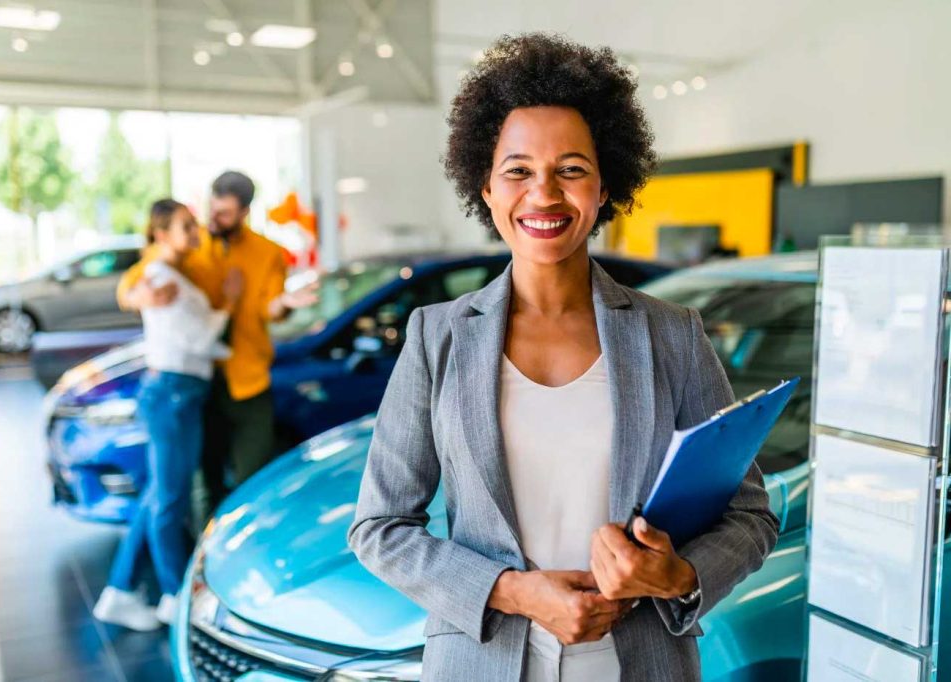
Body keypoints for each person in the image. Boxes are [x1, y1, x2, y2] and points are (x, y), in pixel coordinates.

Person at [348, 33, 779, 681]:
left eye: (571, 169)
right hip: (483, 663)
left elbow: (750, 516)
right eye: (517, 171)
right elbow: (380, 527)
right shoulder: (438, 336)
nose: (544, 194)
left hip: (642, 662)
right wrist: (517, 591)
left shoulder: (673, 335)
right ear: (486, 190)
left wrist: (679, 573)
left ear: (605, 186)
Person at [117, 171, 317, 516]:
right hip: (203, 383)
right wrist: (137, 296)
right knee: (206, 484)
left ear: (244, 212)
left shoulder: (267, 253)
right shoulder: (193, 244)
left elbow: (269, 307)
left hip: (249, 382)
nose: (214, 219)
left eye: (224, 213)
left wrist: (284, 302)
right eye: (213, 209)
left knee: (251, 480)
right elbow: (135, 280)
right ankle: (207, 562)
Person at [94, 199, 242, 630]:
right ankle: (174, 597)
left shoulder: (171, 274)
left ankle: (119, 591)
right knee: (169, 502)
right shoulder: (161, 277)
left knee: (158, 496)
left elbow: (195, 339)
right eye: (185, 227)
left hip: (180, 391)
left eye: (195, 226)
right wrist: (229, 306)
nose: (194, 233)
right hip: (175, 393)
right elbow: (197, 338)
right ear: (159, 233)